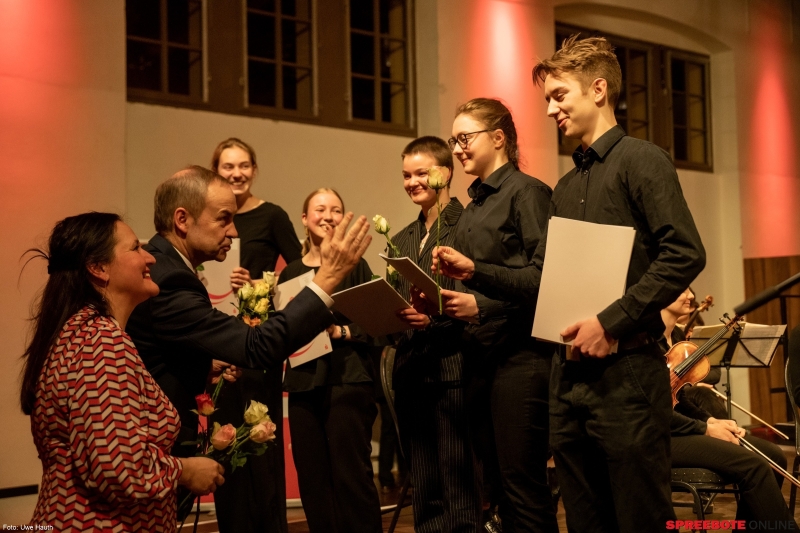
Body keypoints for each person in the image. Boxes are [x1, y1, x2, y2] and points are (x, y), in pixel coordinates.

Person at [433, 36, 706, 532]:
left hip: (628, 373)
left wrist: (610, 321)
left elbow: (685, 253)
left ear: (599, 89)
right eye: (547, 100)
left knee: (638, 517)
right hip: (570, 378)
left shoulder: (642, 160)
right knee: (583, 518)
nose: (550, 109)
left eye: (560, 95)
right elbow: (550, 280)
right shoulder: (565, 185)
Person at [126, 167, 370, 465]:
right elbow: (257, 346)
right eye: (223, 218)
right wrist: (328, 278)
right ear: (182, 219)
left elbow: (159, 353)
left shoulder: (167, 267)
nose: (234, 231)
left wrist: (203, 365)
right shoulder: (170, 278)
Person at [21, 212, 224, 532]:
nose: (149, 258)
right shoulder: (101, 341)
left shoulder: (83, 333)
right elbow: (116, 467)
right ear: (98, 268)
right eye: (135, 249)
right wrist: (184, 471)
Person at [426, 98, 557, 532]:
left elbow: (546, 281)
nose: (458, 148)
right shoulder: (475, 205)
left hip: (522, 358)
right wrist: (436, 301)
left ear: (498, 138)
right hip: (480, 356)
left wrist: (478, 293)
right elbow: (472, 284)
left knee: (523, 486)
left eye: (465, 138)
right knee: (495, 488)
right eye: (454, 140)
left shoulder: (528, 193)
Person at [209, 138, 302, 533]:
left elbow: (299, 273)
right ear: (216, 171)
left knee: (260, 438)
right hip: (217, 340)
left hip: (259, 341)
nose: (236, 173)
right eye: (228, 166)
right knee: (224, 435)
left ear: (254, 169)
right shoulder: (208, 216)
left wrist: (260, 284)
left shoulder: (272, 215)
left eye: (244, 165)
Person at [391, 136, 482, 532]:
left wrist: (435, 317)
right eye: (406, 175)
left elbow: (477, 293)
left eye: (421, 173)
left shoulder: (469, 223)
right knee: (425, 483)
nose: (413, 182)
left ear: (444, 172)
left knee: (457, 478)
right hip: (413, 368)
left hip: (453, 366)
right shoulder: (402, 238)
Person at [280, 188, 382, 533]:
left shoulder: (356, 266)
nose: (328, 216)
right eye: (320, 209)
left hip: (348, 380)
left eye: (336, 210)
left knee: (351, 475)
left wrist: (340, 332)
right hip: (303, 382)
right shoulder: (290, 273)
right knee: (312, 478)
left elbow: (375, 324)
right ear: (305, 219)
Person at [662, 289, 797, 527]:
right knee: (754, 465)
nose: (690, 294)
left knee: (775, 456)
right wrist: (704, 428)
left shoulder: (679, 336)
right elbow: (654, 407)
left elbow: (678, 398)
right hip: (660, 435)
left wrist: (711, 420)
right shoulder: (645, 341)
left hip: (681, 425)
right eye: (681, 288)